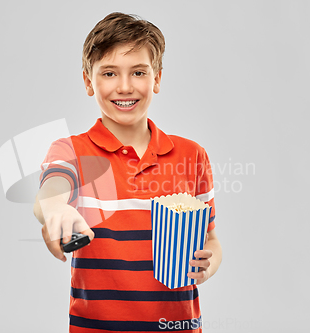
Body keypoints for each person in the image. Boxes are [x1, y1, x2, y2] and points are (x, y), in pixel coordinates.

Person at [33, 12, 222, 332]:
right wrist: (56, 211)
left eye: (138, 72)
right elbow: (50, 193)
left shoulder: (192, 155)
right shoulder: (72, 151)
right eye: (109, 73)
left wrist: (209, 264)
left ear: (157, 79)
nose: (124, 86)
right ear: (88, 81)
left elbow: (211, 240)